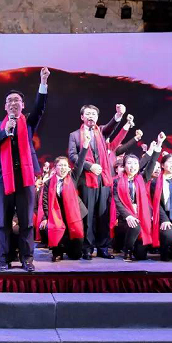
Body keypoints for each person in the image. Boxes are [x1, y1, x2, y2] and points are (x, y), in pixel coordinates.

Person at [0, 67, 49, 272]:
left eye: (17, 101)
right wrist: (5, 132)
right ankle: (4, 259)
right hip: (4, 179)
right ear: (5, 106)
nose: (13, 103)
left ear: (22, 105)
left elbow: (40, 108)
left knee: (26, 222)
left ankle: (27, 259)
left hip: (25, 178)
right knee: (3, 222)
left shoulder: (28, 123)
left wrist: (43, 83)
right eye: (10, 101)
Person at [67, 103, 126, 259]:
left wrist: (118, 115)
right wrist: (89, 166)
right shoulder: (74, 135)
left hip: (103, 179)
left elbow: (111, 127)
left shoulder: (101, 131)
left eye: (93, 113)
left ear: (97, 117)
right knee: (88, 215)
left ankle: (103, 247)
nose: (91, 116)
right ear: (82, 117)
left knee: (103, 214)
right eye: (88, 113)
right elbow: (72, 156)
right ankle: (87, 248)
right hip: (86, 179)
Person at [40, 141, 88, 261]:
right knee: (55, 228)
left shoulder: (72, 177)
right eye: (60, 165)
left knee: (75, 255)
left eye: (65, 165)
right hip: (56, 214)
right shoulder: (48, 183)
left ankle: (73, 250)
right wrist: (48, 217)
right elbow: (45, 201)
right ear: (55, 167)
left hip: (74, 213)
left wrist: (85, 146)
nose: (63, 168)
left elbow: (80, 162)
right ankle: (58, 251)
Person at [113, 152, 157, 262]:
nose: (132, 166)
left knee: (141, 256)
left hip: (141, 214)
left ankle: (136, 247)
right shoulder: (117, 181)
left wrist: (156, 149)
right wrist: (128, 216)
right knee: (135, 226)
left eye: (135, 163)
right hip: (125, 216)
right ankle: (127, 250)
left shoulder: (142, 178)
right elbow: (117, 201)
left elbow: (151, 163)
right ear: (124, 166)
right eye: (129, 163)